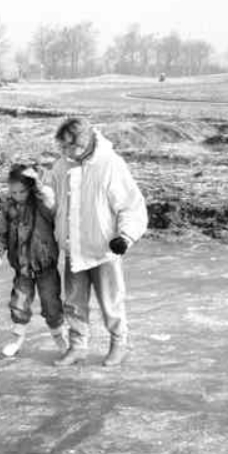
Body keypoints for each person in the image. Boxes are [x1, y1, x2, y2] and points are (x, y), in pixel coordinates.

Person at [46, 118, 148, 367]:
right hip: (74, 247)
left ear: (85, 142)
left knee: (111, 301)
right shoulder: (61, 166)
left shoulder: (110, 164)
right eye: (62, 147)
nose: (65, 152)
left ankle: (119, 343)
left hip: (103, 249)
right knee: (73, 302)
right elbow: (54, 202)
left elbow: (131, 205)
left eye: (70, 147)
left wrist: (126, 236)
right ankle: (77, 346)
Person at [0, 164, 68, 358]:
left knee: (52, 305)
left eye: (22, 191)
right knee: (19, 304)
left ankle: (60, 338)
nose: (18, 196)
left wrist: (38, 184)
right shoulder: (9, 208)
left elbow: (51, 204)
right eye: (13, 192)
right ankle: (17, 339)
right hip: (22, 269)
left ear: (30, 188)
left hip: (46, 267)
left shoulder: (41, 204)